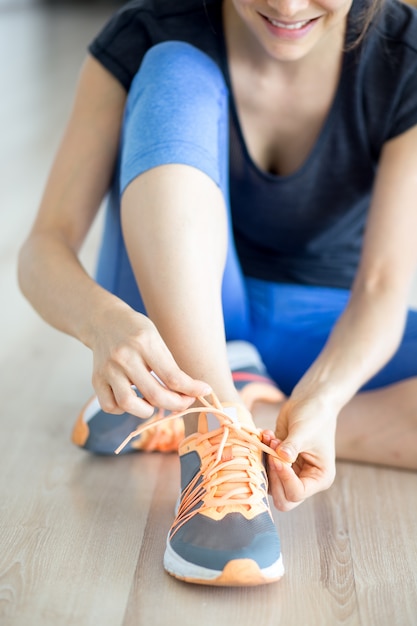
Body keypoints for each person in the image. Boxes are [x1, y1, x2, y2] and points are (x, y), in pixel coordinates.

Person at [18, 0, 417, 586]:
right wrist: (102, 322)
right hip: (176, 310)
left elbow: (383, 285)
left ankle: (226, 412)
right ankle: (213, 427)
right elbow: (42, 249)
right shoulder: (150, 30)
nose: (287, 5)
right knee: (175, 66)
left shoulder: (402, 57)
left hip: (316, 325)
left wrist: (325, 399)